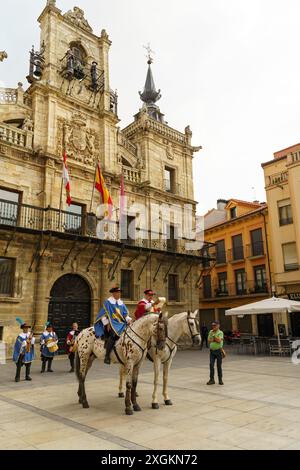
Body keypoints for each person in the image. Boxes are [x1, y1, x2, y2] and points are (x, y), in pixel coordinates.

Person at [94, 287, 132, 364]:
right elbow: (103, 315)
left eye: (120, 292)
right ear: (114, 293)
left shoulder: (121, 303)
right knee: (113, 335)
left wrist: (129, 319)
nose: (119, 294)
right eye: (118, 292)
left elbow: (125, 314)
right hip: (111, 323)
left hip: (121, 323)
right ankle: (107, 356)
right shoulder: (108, 302)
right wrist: (107, 323)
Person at [13, 317, 35, 382]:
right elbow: (18, 344)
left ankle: (27, 376)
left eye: (27, 328)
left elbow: (32, 343)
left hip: (28, 351)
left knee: (28, 364)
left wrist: (32, 339)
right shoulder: (20, 336)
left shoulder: (29, 334)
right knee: (19, 365)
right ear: (22, 328)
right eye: (25, 328)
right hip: (22, 352)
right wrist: (26, 341)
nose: (26, 329)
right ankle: (17, 377)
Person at [207, 320, 224, 385]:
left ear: (218, 325)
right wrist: (215, 339)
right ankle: (212, 379)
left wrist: (213, 336)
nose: (213, 327)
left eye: (215, 325)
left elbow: (219, 341)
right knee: (211, 365)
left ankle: (220, 379)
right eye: (213, 325)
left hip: (219, 351)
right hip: (212, 351)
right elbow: (209, 340)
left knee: (219, 366)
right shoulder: (210, 331)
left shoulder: (220, 332)